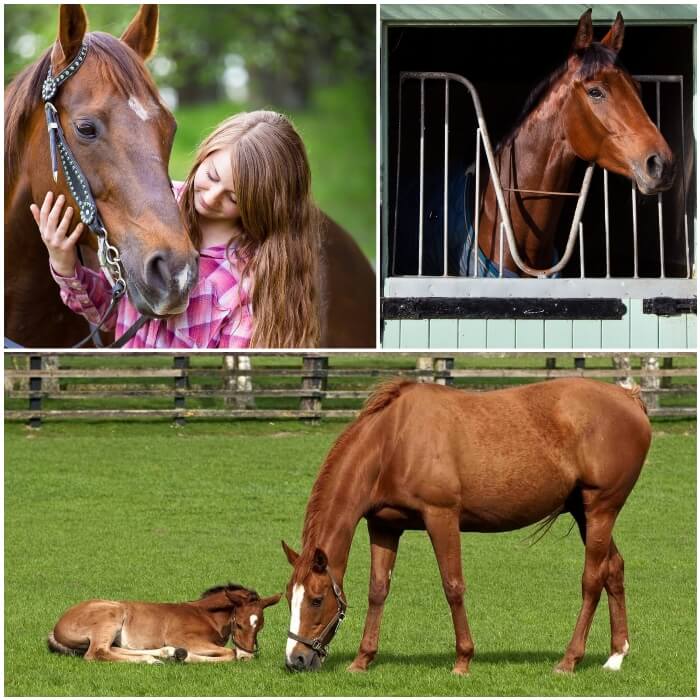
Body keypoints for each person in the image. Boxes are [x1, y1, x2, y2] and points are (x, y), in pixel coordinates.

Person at [31, 110, 321, 348]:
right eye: (212, 176)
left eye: (233, 198)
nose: (209, 198)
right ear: (205, 154)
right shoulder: (153, 210)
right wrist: (65, 264)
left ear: (262, 205)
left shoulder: (248, 285)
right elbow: (108, 310)